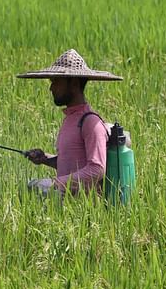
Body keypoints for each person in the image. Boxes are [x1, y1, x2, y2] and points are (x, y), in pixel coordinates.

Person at [17, 49, 123, 197]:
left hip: (85, 208)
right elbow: (73, 164)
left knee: (38, 188)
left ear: (73, 83)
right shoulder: (71, 119)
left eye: (56, 82)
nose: (51, 88)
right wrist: (45, 159)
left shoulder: (91, 123)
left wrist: (56, 183)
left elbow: (97, 169)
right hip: (67, 202)